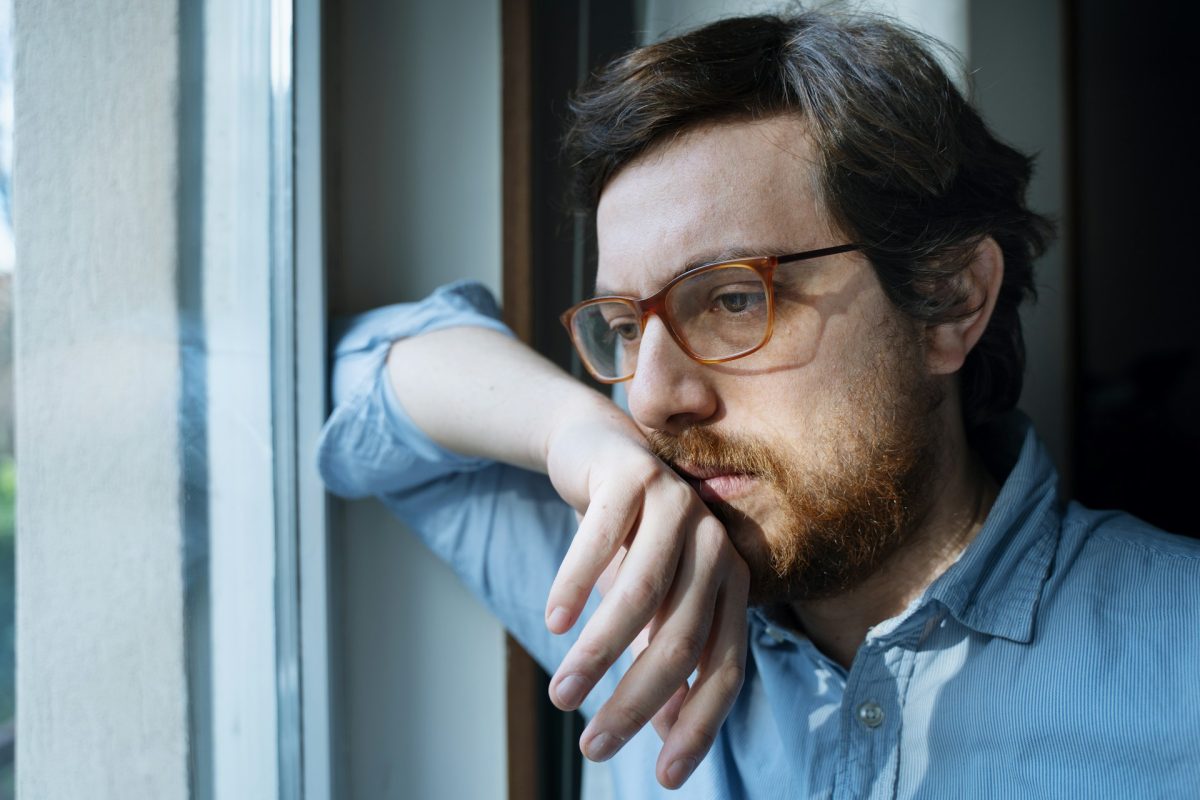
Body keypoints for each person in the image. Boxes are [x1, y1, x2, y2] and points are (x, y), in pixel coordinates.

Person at [317, 11, 1200, 798]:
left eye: (735, 298)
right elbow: (349, 374)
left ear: (950, 300)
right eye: (624, 329)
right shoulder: (626, 584)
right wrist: (569, 427)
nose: (652, 399)